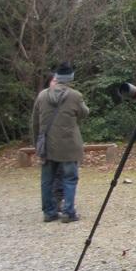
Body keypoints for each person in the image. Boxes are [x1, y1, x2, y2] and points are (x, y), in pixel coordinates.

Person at [32, 62, 90, 223]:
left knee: (47, 180)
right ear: (70, 78)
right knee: (70, 179)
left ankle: (49, 212)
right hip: (69, 145)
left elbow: (35, 122)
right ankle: (68, 212)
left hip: (48, 145)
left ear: (56, 77)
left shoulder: (42, 95)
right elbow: (85, 113)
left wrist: (37, 142)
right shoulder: (75, 96)